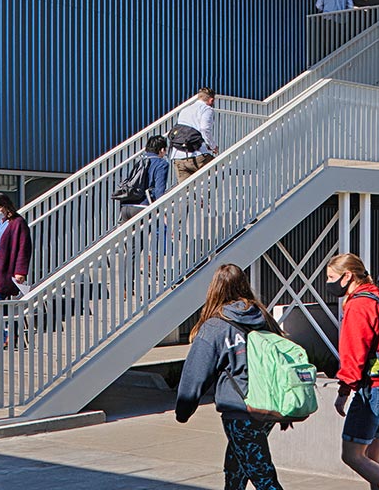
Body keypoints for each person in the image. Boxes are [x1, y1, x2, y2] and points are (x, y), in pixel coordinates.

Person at [176, 263, 288, 490]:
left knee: (263, 477)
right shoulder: (264, 317)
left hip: (240, 411)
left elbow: (196, 374)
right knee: (236, 469)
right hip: (267, 406)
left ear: (214, 290)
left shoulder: (215, 327)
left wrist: (184, 410)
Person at [326, 253, 379, 490]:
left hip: (373, 389)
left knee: (352, 455)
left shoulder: (359, 305)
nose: (329, 283)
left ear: (347, 276)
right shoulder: (378, 296)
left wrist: (344, 391)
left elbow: (353, 353)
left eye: (331, 277)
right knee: (374, 456)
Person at [0, 192, 31, 300]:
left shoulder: (17, 223)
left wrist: (20, 271)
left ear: (5, 206)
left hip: (4, 268)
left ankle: (1, 317)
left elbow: (23, 248)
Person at [171, 87, 220, 183]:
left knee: (186, 191)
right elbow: (204, 129)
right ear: (211, 100)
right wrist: (212, 146)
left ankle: (195, 197)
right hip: (197, 155)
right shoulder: (207, 109)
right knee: (219, 170)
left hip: (178, 156)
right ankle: (204, 196)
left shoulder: (185, 109)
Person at [124, 135, 174, 222]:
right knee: (162, 232)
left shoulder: (140, 160)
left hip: (127, 207)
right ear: (162, 150)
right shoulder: (162, 164)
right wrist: (163, 213)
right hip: (144, 207)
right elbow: (159, 191)